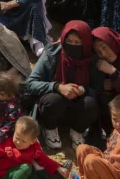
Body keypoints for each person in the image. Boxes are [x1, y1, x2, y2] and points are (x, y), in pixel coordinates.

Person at [25, 21, 103, 150]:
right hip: (54, 107)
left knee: (90, 104)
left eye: (78, 43)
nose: (73, 46)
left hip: (78, 108)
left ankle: (77, 131)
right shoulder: (52, 53)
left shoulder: (93, 60)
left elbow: (98, 89)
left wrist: (84, 89)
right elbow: (31, 83)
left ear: (86, 43)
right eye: (69, 41)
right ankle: (50, 129)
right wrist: (57, 87)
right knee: (53, 100)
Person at [0, 116, 65, 179]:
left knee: (33, 174)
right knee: (26, 168)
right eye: (16, 137)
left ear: (32, 141)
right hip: (5, 174)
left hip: (22, 174)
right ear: (14, 131)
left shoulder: (35, 148)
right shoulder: (7, 144)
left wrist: (58, 167)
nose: (18, 142)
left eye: (23, 141)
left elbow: (45, 159)